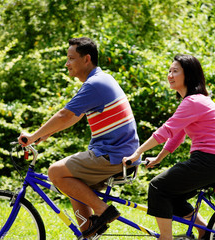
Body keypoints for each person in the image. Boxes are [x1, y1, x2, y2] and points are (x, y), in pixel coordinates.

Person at [18, 37, 140, 238]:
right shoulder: (101, 79)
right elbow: (73, 117)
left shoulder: (94, 84)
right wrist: (42, 136)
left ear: (86, 59)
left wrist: (32, 137)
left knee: (56, 172)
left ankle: (103, 211)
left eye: (71, 58)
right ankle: (89, 233)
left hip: (113, 155)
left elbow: (64, 115)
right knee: (73, 181)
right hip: (118, 154)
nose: (66, 63)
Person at [123, 54, 215, 240]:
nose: (170, 75)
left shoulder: (193, 102)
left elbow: (165, 131)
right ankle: (205, 232)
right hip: (212, 162)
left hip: (207, 161)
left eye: (175, 71)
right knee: (172, 195)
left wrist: (138, 152)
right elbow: (177, 135)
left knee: (157, 187)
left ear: (188, 75)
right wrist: (158, 159)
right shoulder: (195, 101)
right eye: (169, 71)